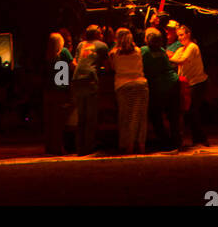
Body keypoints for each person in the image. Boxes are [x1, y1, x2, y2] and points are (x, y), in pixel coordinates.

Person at [141, 28, 182, 151]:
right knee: (173, 115)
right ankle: (176, 141)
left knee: (155, 114)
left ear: (147, 39)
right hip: (173, 83)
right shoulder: (162, 50)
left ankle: (165, 142)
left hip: (159, 86)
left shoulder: (144, 51)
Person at [71, 26, 109, 156]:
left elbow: (75, 62)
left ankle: (79, 148)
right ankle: (88, 147)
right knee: (91, 116)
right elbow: (108, 64)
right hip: (90, 79)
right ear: (98, 34)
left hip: (77, 79)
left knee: (81, 116)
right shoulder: (102, 45)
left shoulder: (81, 44)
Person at [111, 27, 149, 154]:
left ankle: (128, 145)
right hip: (141, 84)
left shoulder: (114, 53)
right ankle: (141, 144)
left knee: (126, 116)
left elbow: (112, 67)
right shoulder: (138, 51)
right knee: (140, 116)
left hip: (123, 86)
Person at [173, 23, 209, 147]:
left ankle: (201, 138)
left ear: (188, 34)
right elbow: (176, 59)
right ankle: (198, 138)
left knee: (192, 110)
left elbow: (181, 60)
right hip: (188, 83)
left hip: (197, 82)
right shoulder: (180, 49)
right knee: (189, 112)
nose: (180, 38)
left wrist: (170, 57)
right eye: (178, 36)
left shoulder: (192, 47)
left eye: (182, 35)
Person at [43, 32, 72, 156]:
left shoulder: (48, 55)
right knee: (59, 122)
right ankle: (59, 148)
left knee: (50, 122)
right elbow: (73, 66)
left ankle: (50, 147)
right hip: (61, 89)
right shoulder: (64, 52)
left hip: (49, 90)